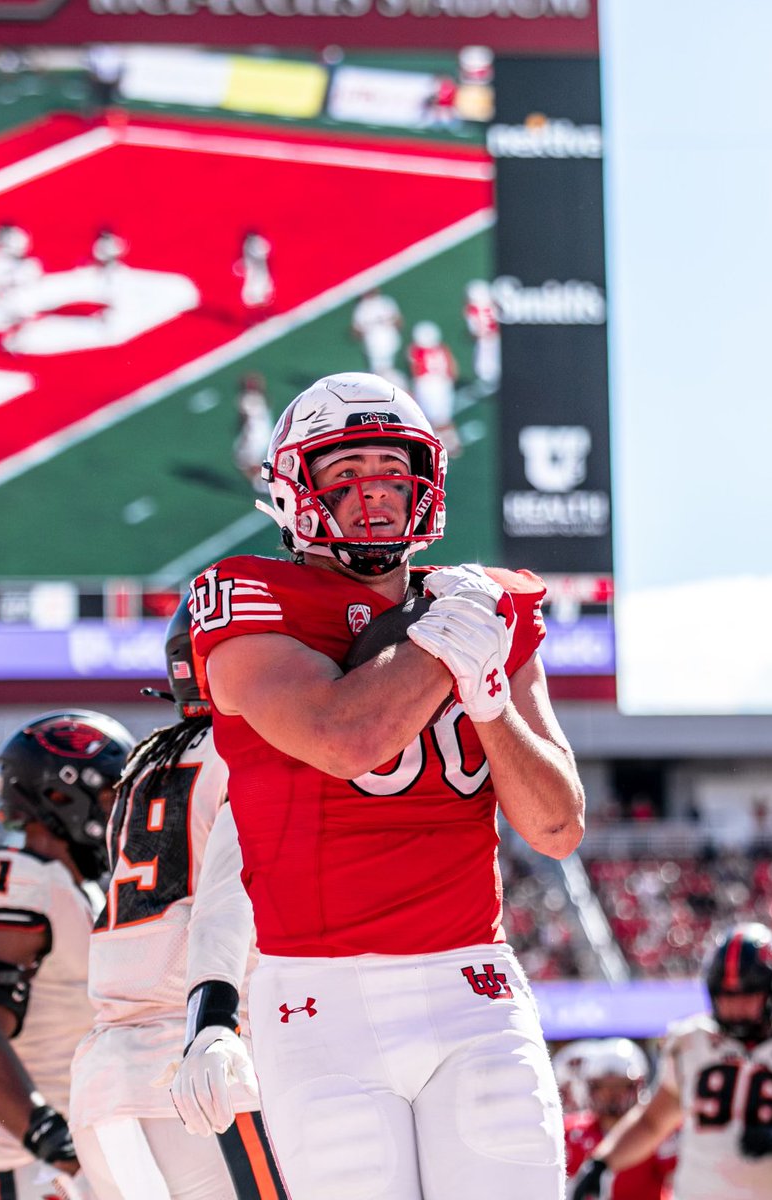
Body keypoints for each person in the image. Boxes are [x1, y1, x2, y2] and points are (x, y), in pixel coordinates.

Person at [167, 371, 585, 1200]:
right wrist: (444, 639)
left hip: (475, 986)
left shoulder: (488, 608)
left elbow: (558, 826)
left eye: (391, 472)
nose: (373, 495)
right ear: (295, 488)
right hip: (320, 1002)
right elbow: (343, 737)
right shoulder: (249, 597)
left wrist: (490, 700)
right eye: (344, 474)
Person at [69, 598, 284, 1200]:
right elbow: (237, 896)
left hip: (104, 1073)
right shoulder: (253, 748)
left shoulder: (142, 764)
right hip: (204, 1062)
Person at [0, 710, 134, 1200]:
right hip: (18, 1167)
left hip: (59, 1167)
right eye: (110, 796)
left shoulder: (76, 889)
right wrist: (54, 1141)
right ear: (60, 797)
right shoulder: (15, 880)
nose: (120, 812)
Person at [571, 922, 772, 1200]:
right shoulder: (690, 1042)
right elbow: (651, 1123)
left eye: (746, 995)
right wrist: (601, 1163)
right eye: (726, 996)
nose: (735, 1006)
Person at [564, 1038, 675, 1200]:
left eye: (620, 1086)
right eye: (603, 1087)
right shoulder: (570, 1131)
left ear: (637, 1086)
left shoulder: (658, 1129)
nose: (610, 1094)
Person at [407, 320, 461, 456]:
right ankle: (453, 443)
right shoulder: (442, 348)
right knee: (444, 417)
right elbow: (453, 369)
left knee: (430, 419)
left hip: (426, 385)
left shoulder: (415, 351)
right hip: (443, 383)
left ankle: (441, 445)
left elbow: (415, 370)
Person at [350, 287, 404, 380]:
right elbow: (355, 331)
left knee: (390, 372)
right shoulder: (362, 307)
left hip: (389, 342)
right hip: (373, 346)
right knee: (378, 374)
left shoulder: (385, 302)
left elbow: (399, 322)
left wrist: (386, 323)